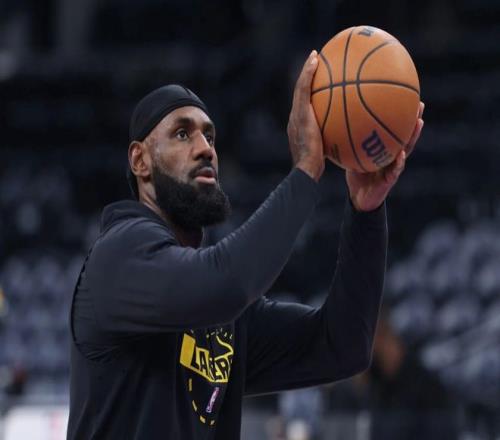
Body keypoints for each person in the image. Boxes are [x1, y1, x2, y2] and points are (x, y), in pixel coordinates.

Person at [67, 50, 424, 439]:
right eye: (182, 134)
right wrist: (305, 172)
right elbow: (225, 284)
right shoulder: (120, 253)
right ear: (140, 160)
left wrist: (365, 212)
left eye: (209, 136)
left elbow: (344, 346)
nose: (205, 148)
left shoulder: (220, 312)